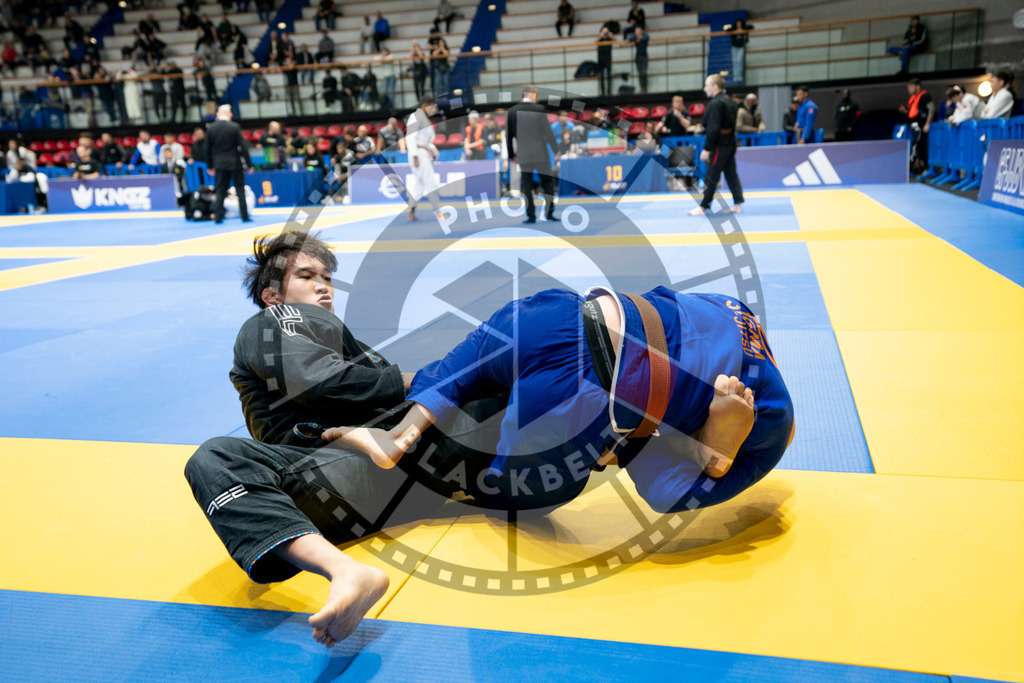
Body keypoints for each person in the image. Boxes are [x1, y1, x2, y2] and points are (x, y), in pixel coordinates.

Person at [185, 232, 511, 649]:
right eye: (306, 275)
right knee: (216, 457)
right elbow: (315, 384)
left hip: (406, 464)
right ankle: (345, 572)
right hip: (341, 474)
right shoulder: (268, 324)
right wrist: (427, 382)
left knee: (512, 370)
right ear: (272, 295)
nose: (323, 285)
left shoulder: (346, 343)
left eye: (327, 276)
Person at [332, 283, 795, 520]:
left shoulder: (733, 307)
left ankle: (400, 434)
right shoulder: (775, 421)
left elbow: (665, 304)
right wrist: (710, 455)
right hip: (589, 394)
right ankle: (710, 451)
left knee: (457, 371)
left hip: (554, 313)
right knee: (661, 491)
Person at [687, 75, 743, 216]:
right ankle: (737, 204)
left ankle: (703, 207)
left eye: (707, 85)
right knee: (731, 174)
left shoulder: (715, 104)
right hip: (730, 142)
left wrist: (707, 148)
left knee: (711, 175)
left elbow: (713, 128)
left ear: (715, 87)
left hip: (720, 144)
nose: (704, 88)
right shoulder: (730, 100)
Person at [507, 84, 559, 224]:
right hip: (541, 153)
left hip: (524, 154)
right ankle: (549, 213)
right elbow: (548, 132)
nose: (537, 97)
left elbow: (509, 135)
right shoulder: (539, 109)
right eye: (536, 94)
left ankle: (531, 216)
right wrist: (556, 150)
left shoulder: (512, 111)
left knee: (527, 186)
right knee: (547, 183)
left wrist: (511, 155)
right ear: (530, 94)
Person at [205, 104, 251, 223]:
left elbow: (207, 149)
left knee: (220, 190)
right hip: (235, 162)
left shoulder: (211, 128)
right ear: (229, 114)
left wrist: (209, 166)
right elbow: (243, 147)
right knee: (240, 190)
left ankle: (218, 217)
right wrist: (249, 164)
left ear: (218, 115)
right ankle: (245, 216)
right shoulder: (234, 126)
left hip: (219, 164)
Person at [405, 96, 443, 221]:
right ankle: (438, 214)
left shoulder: (423, 118)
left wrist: (432, 148)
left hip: (422, 152)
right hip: (418, 154)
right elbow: (410, 137)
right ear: (425, 104)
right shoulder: (416, 116)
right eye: (432, 106)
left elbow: (423, 139)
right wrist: (415, 155)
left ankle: (412, 214)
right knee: (430, 182)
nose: (434, 110)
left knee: (418, 185)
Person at [898, 78, 932, 173]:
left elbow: (931, 109)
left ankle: (923, 168)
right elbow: (913, 114)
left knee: (918, 147)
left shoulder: (925, 96)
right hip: (914, 127)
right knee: (916, 147)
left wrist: (927, 124)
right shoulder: (913, 99)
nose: (909, 89)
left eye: (911, 87)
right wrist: (905, 111)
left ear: (918, 87)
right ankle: (918, 169)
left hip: (921, 127)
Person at [727, 18, 751, 84]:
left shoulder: (743, 29)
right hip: (735, 47)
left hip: (741, 47)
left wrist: (744, 28)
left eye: (740, 23)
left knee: (740, 60)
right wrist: (733, 27)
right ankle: (735, 75)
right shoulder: (734, 29)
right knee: (735, 61)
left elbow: (751, 27)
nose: (739, 24)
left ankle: (740, 75)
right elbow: (727, 29)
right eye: (737, 23)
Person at [596, 25, 614, 97]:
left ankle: (609, 91)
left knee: (609, 75)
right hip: (600, 59)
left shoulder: (610, 39)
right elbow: (595, 42)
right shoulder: (600, 39)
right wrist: (601, 36)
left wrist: (611, 36)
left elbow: (618, 43)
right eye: (604, 32)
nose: (605, 34)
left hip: (608, 58)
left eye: (607, 32)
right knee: (601, 76)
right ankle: (603, 92)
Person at [629, 26, 649, 94]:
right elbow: (630, 39)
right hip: (638, 56)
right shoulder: (635, 37)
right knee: (640, 72)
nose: (637, 32)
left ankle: (645, 87)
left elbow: (646, 38)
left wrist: (640, 37)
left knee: (644, 72)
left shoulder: (645, 36)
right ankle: (642, 87)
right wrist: (637, 37)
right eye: (636, 31)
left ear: (641, 31)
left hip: (644, 56)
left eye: (638, 31)